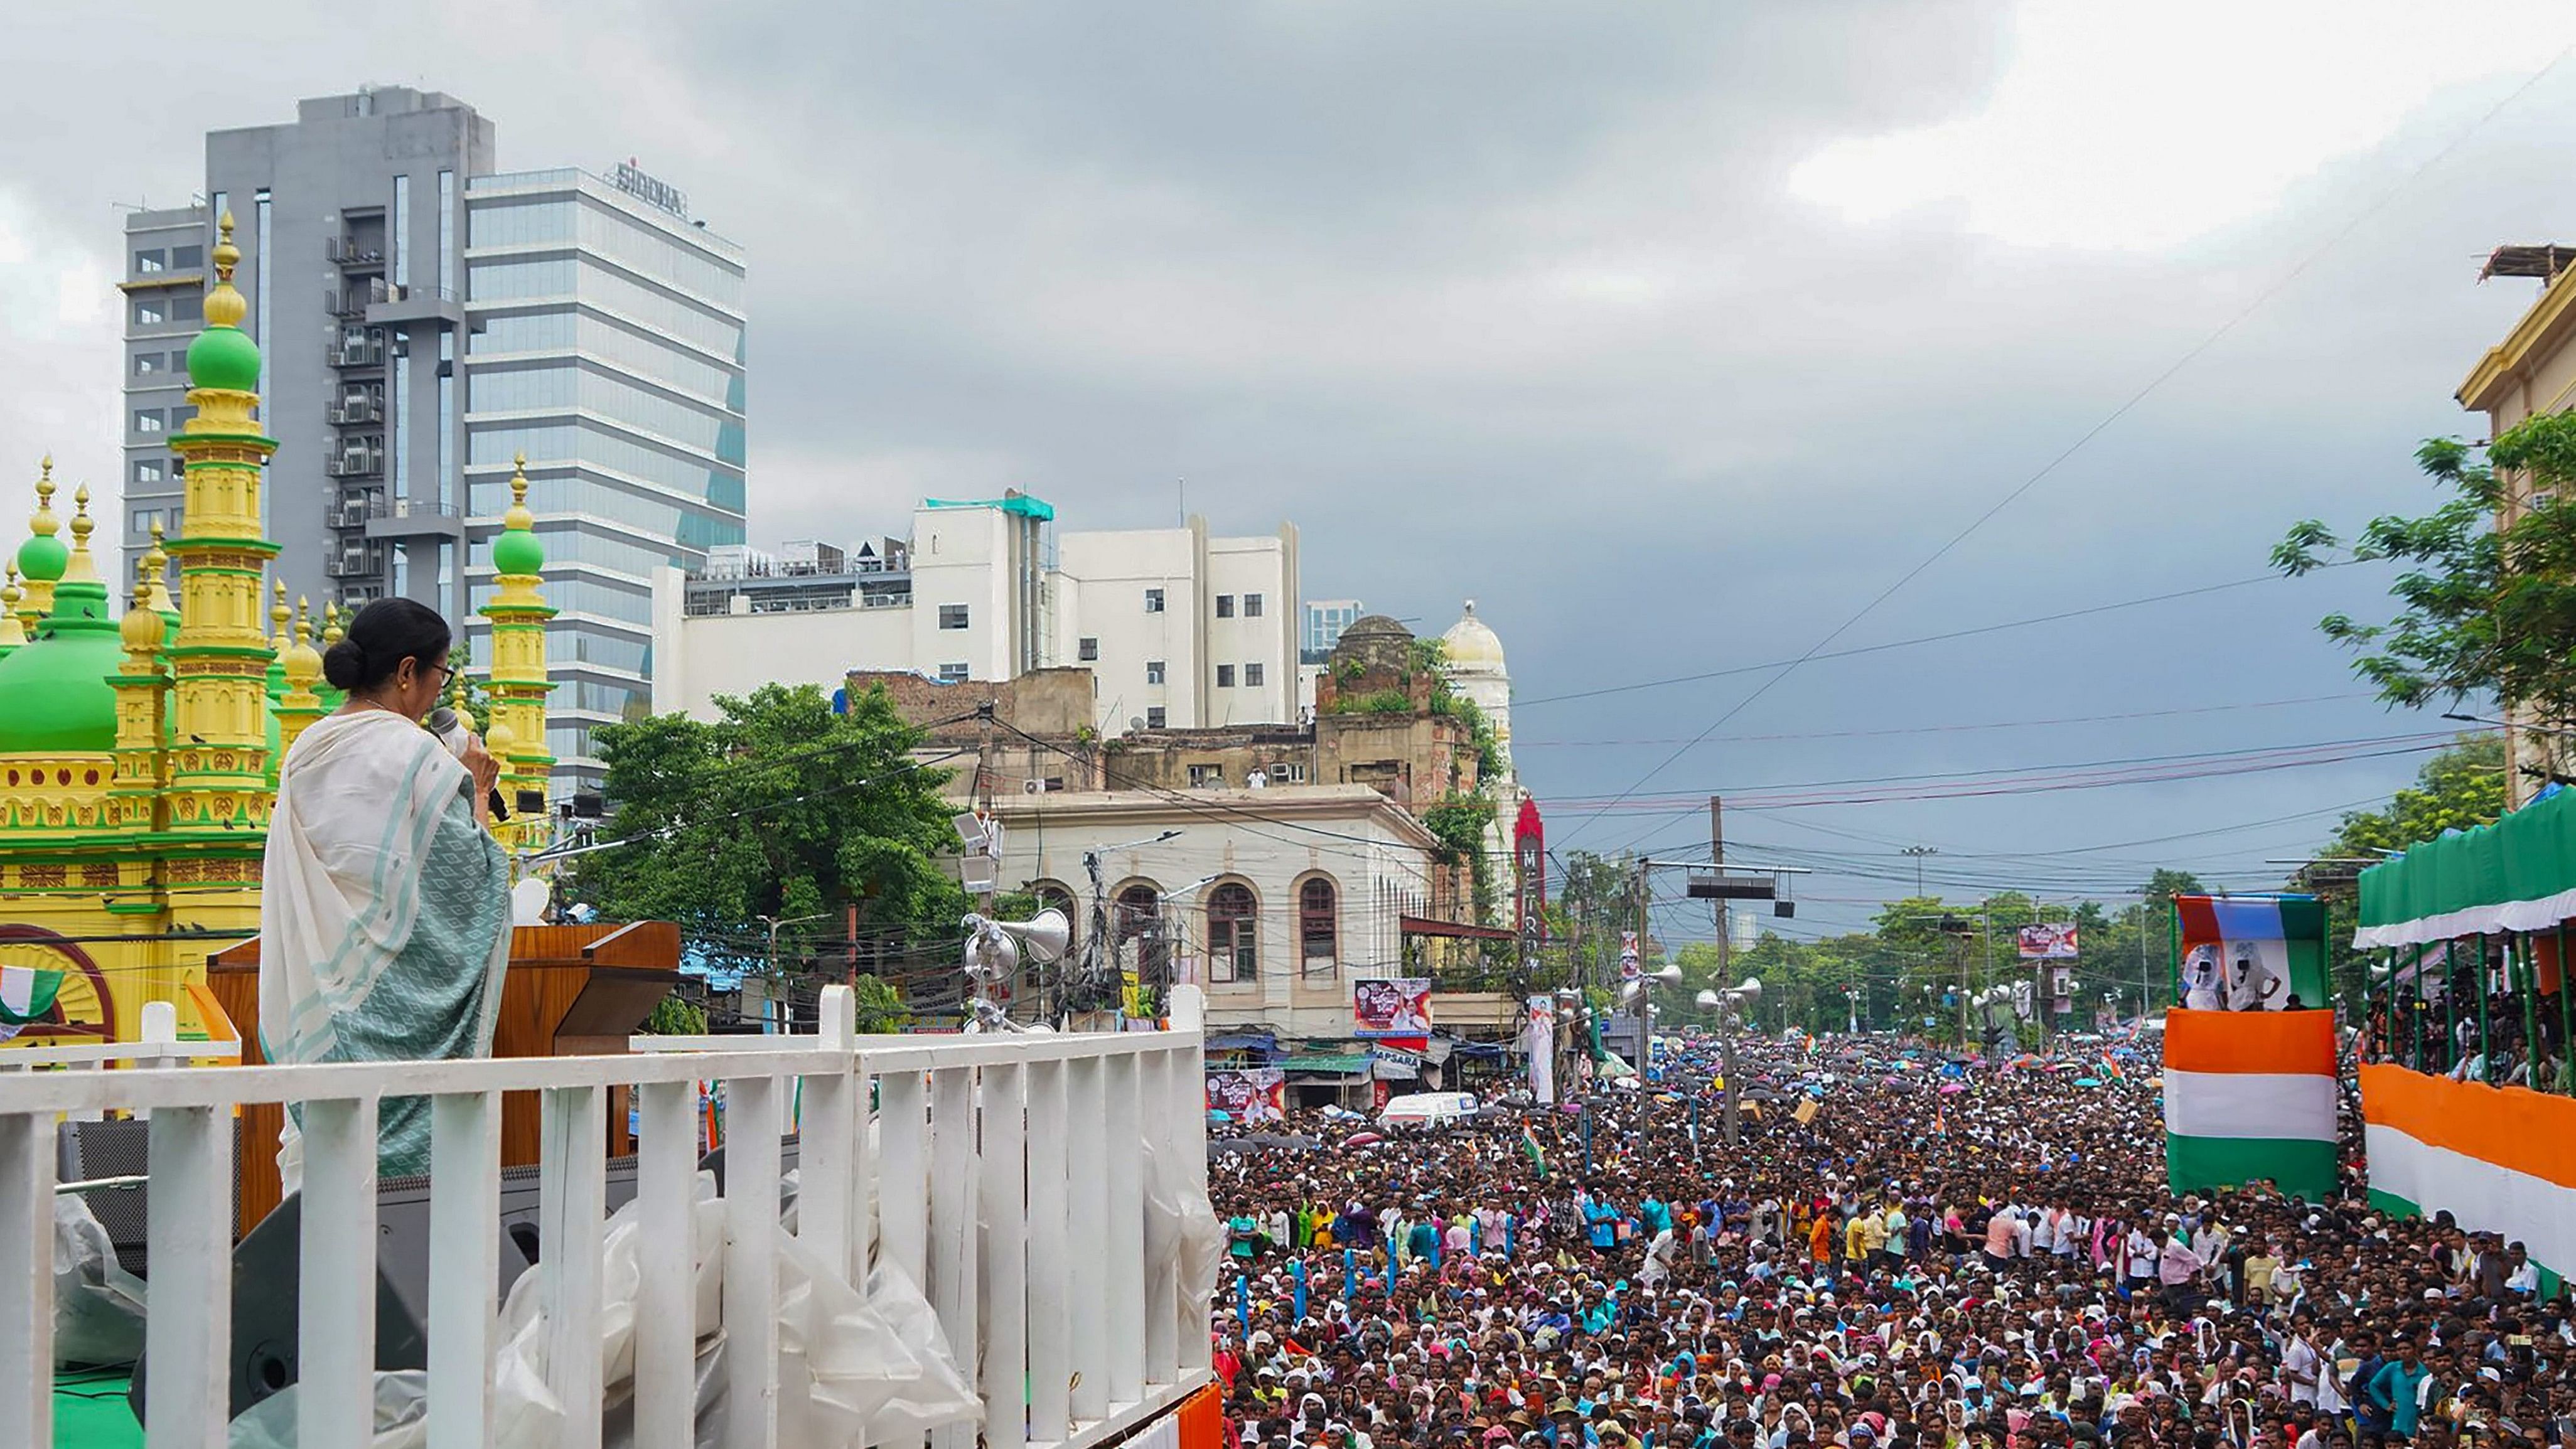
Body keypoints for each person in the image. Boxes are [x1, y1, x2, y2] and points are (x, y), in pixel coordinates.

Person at [259, 597, 509, 1184]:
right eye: (439, 676)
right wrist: (474, 793)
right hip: (391, 1012)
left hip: (318, 1002)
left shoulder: (304, 749)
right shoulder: (417, 755)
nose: (437, 694)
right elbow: (469, 888)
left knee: (326, 1190)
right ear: (405, 673)